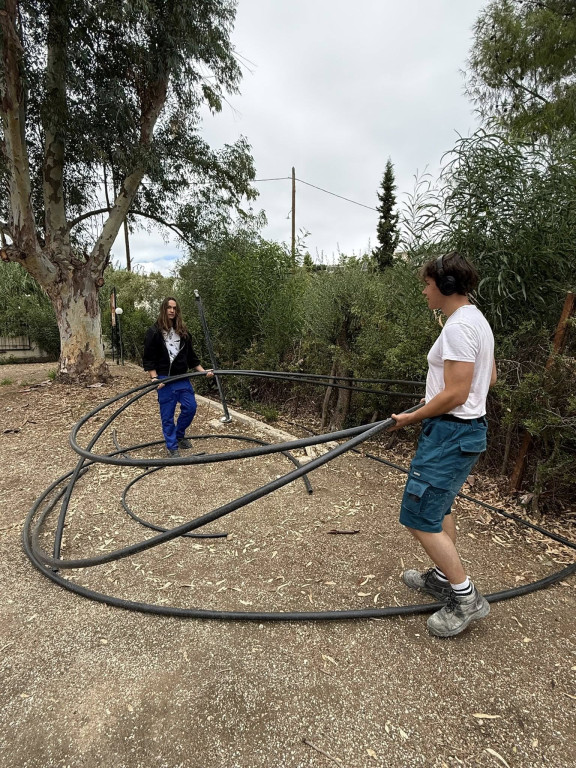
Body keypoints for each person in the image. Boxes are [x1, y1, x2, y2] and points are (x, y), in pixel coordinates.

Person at [391, 252, 497, 638]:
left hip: (450, 433)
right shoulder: (477, 321)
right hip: (464, 431)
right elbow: (489, 379)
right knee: (441, 504)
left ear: (445, 286)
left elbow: (456, 392)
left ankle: (466, 598)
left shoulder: (457, 327)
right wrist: (440, 398)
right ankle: (441, 577)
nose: (424, 291)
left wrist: (415, 415)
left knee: (417, 515)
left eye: (427, 284)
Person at [143, 297, 214, 457]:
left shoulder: (183, 332)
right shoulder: (154, 332)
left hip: (181, 378)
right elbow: (148, 358)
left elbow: (191, 357)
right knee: (167, 415)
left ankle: (179, 434)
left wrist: (203, 371)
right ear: (163, 309)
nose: (172, 310)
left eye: (174, 308)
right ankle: (172, 446)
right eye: (169, 307)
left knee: (190, 407)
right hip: (164, 379)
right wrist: (154, 378)